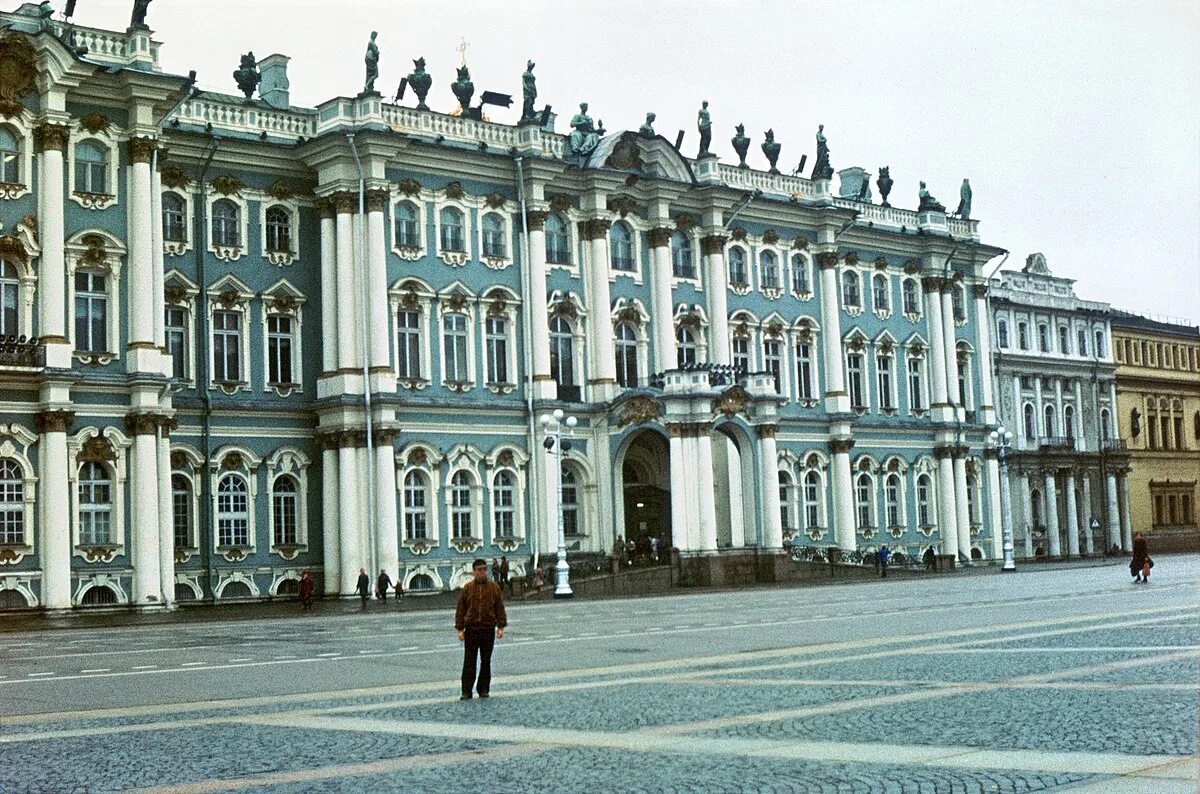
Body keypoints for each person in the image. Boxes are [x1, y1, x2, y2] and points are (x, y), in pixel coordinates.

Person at [455, 558, 507, 700]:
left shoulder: (493, 587)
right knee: (469, 661)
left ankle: (483, 689)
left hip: (487, 628)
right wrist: (460, 628)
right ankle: (466, 691)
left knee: (486, 661)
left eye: (484, 569)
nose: (482, 572)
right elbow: (461, 609)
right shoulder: (468, 588)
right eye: (479, 570)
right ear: (474, 571)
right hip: (471, 629)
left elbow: (499, 608)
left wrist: (500, 626)